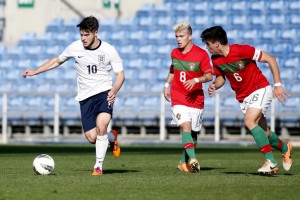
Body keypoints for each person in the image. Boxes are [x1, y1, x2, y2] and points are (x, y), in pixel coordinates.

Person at [22, 16, 125, 176]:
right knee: (92, 137)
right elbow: (57, 61)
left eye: (87, 35)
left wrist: (114, 91)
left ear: (96, 33)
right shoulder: (75, 47)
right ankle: (112, 137)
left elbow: (120, 75)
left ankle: (98, 166)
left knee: (101, 126)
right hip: (85, 98)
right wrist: (35, 71)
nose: (83, 38)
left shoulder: (109, 50)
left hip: (104, 93)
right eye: (81, 35)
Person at [200, 26, 292, 175]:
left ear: (216, 44)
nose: (207, 47)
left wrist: (278, 85)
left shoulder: (242, 50)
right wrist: (214, 86)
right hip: (244, 97)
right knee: (265, 133)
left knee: (249, 121)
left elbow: (270, 59)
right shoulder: (215, 59)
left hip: (260, 88)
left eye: (208, 44)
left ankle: (270, 162)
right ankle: (285, 148)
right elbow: (220, 78)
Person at [164, 22, 213, 173]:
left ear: (190, 36)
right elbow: (173, 70)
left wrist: (196, 80)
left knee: (193, 132)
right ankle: (192, 159)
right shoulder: (174, 53)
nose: (178, 39)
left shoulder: (201, 54)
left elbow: (209, 76)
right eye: (176, 36)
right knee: (185, 126)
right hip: (178, 97)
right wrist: (166, 85)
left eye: (181, 36)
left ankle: (183, 162)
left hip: (195, 98)